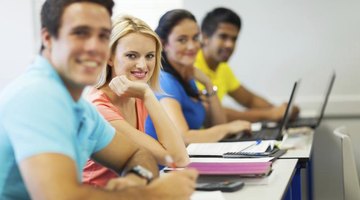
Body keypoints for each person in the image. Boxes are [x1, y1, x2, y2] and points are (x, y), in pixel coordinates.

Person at [0, 1, 197, 199]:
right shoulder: (37, 96)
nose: (95, 47)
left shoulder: (79, 107)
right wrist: (153, 193)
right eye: (80, 33)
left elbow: (136, 154)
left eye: (103, 36)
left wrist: (134, 180)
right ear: (48, 38)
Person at [82, 15, 189, 187]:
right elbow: (177, 158)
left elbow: (179, 156)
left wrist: (146, 95)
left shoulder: (135, 96)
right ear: (109, 58)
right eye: (132, 55)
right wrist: (147, 94)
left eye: (149, 56)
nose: (142, 65)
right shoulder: (100, 108)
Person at [145, 9, 251, 144]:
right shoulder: (164, 81)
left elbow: (216, 124)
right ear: (164, 44)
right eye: (182, 40)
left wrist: (208, 83)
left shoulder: (187, 78)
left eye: (195, 38)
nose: (192, 46)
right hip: (165, 165)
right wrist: (228, 128)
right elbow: (184, 138)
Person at [195, 7, 299, 123]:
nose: (229, 44)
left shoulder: (222, 68)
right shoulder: (192, 66)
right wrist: (270, 114)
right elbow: (214, 113)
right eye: (223, 36)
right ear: (204, 37)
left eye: (234, 39)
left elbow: (250, 100)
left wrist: (281, 110)